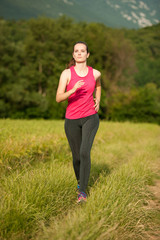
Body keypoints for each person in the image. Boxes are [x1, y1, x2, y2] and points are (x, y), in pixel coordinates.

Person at [56, 41, 101, 203]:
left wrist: (98, 99)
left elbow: (98, 85)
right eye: (77, 51)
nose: (80, 53)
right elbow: (58, 98)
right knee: (76, 157)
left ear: (87, 54)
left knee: (84, 152)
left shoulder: (95, 73)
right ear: (73, 55)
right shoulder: (66, 74)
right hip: (72, 120)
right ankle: (79, 182)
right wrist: (73, 89)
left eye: (83, 51)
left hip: (90, 117)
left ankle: (82, 192)